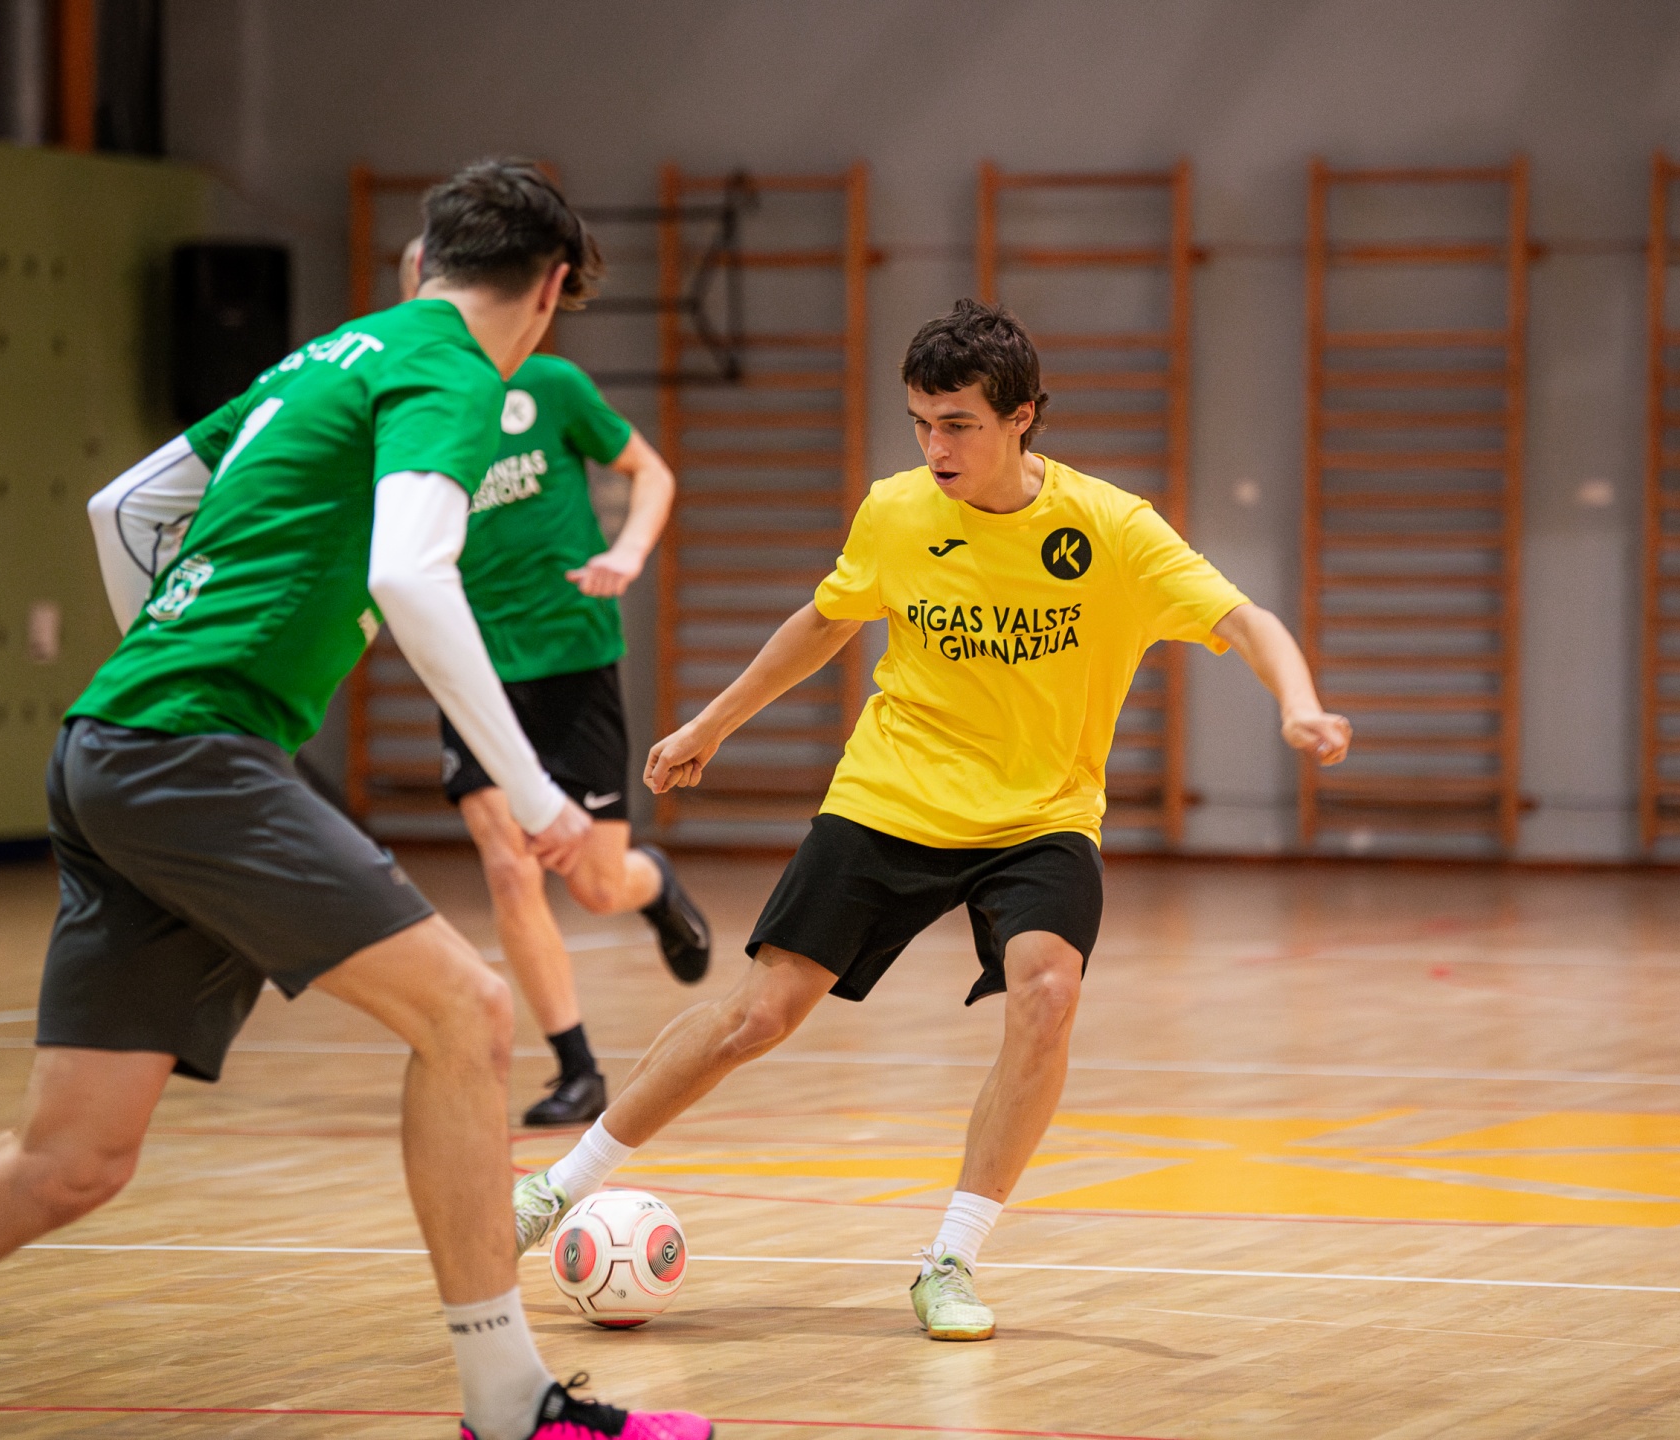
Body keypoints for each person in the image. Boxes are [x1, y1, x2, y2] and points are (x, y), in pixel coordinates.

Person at [0, 160, 710, 1440]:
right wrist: (537, 793)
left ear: (428, 259)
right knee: (468, 1014)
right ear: (552, 289)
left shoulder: (322, 358)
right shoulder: (451, 368)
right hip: (192, 756)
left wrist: (169, 657)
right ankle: (511, 1406)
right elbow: (414, 575)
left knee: (69, 1163)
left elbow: (125, 505)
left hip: (114, 742)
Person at [511, 299, 1353, 1343]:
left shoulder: (1111, 530)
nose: (935, 447)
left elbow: (1244, 619)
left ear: (1022, 417)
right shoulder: (897, 512)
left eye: (958, 424)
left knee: (1048, 992)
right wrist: (711, 724)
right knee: (758, 1017)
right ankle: (557, 1186)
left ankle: (950, 1259)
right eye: (920, 423)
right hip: (893, 795)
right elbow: (824, 622)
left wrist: (1298, 702)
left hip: (1040, 814)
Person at [397, 240, 711, 1129]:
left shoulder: (552, 387)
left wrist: (628, 551)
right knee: (509, 864)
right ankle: (577, 1068)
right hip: (471, 665)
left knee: (596, 886)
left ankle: (653, 882)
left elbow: (652, 472)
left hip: (572, 657)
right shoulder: (410, 408)